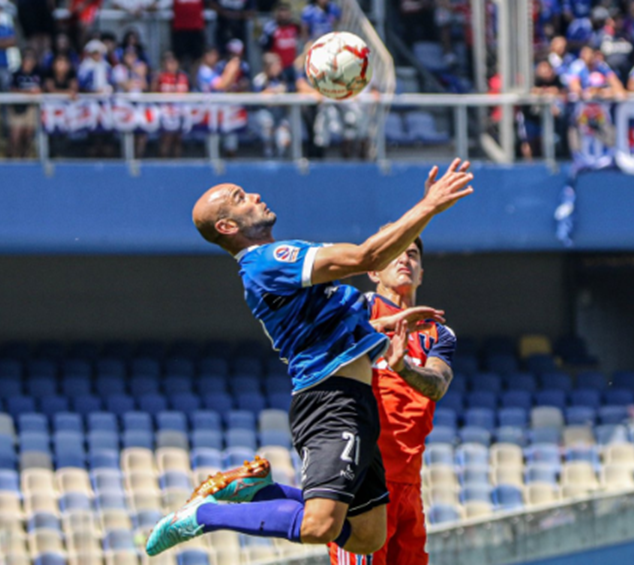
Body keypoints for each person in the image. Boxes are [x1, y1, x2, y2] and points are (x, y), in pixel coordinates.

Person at [144, 160, 475, 558]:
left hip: (356, 402)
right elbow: (367, 257)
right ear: (228, 227)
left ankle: (260, 492)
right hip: (330, 400)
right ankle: (205, 515)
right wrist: (430, 206)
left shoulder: (277, 266)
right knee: (321, 524)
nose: (254, 196)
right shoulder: (268, 261)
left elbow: (332, 322)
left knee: (369, 534)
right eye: (240, 197)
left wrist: (390, 321)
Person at [329, 235, 456, 565]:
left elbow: (438, 383)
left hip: (409, 485)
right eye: (395, 255)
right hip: (363, 479)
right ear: (373, 271)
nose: (405, 260)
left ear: (421, 273)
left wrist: (402, 366)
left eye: (412, 255)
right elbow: (329, 349)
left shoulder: (438, 333)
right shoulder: (358, 308)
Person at [151, 51, 189, 159]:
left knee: (178, 139)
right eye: (169, 62)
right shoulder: (160, 76)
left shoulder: (183, 76)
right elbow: (153, 93)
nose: (172, 65)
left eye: (174, 62)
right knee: (166, 138)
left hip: (179, 110)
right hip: (165, 110)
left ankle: (177, 164)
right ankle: (163, 162)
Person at [171, 0, 205, 67]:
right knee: (179, 57)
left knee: (197, 57)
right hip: (180, 29)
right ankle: (180, 76)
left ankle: (195, 76)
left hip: (196, 29)